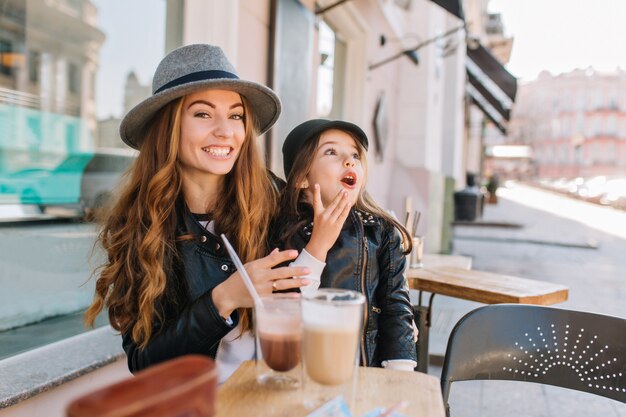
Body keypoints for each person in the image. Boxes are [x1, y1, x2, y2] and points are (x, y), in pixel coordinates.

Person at [84, 44, 311, 380]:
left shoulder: (275, 200)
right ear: (168, 127)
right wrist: (224, 298)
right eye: (203, 114)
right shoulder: (140, 225)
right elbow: (144, 362)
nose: (225, 130)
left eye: (236, 115)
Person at [276, 119, 417, 371]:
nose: (350, 161)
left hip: (368, 371)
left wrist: (401, 373)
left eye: (354, 154)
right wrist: (317, 246)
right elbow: (284, 311)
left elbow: (396, 306)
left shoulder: (382, 230)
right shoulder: (284, 229)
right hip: (304, 373)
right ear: (301, 178)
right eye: (331, 152)